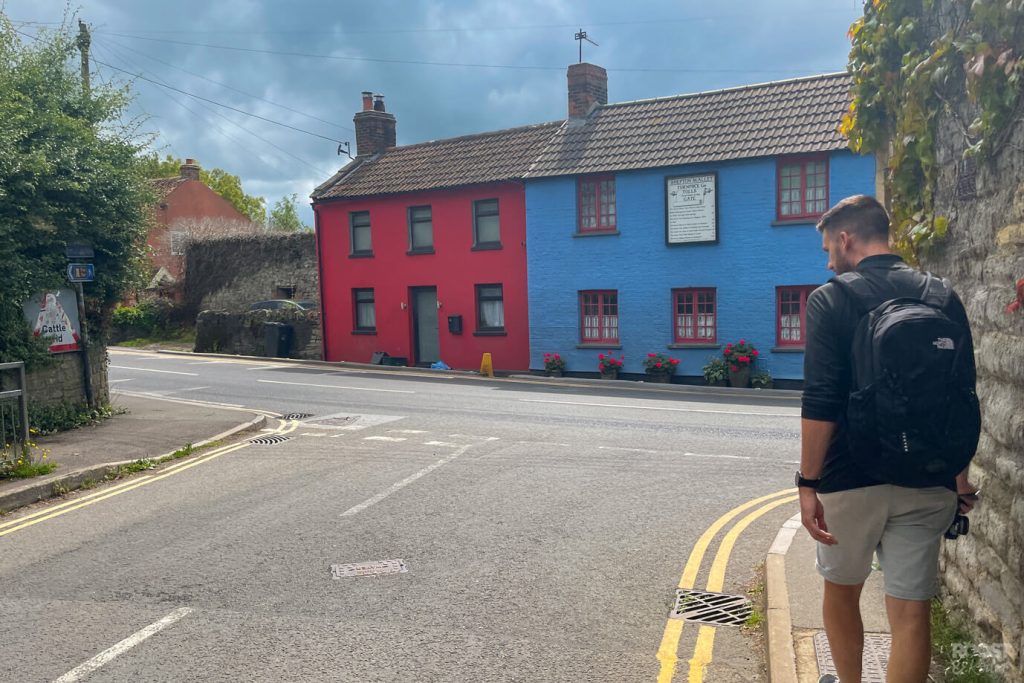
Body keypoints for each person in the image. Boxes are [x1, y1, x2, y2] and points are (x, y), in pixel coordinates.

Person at [797, 195, 980, 683]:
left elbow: (819, 400)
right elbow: (961, 397)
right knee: (911, 611)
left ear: (845, 238)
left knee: (841, 590)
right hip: (929, 479)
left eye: (827, 248)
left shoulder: (830, 298)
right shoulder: (941, 295)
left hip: (849, 477)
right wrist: (958, 481)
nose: (827, 260)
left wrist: (807, 483)